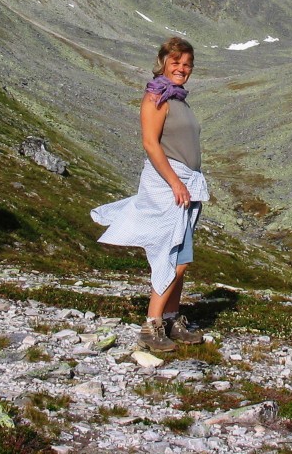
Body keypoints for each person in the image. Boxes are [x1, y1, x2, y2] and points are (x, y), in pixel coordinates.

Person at [91, 37, 208, 352]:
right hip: (168, 186)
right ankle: (152, 324)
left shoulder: (178, 98)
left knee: (182, 255)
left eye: (187, 64)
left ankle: (171, 317)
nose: (182, 69)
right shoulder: (157, 96)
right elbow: (151, 143)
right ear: (163, 63)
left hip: (185, 185)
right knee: (170, 254)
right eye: (176, 63)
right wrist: (175, 182)